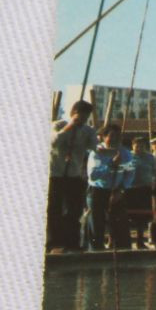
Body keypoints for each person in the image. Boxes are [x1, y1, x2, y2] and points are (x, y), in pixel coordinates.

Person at [47, 99, 97, 252]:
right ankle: (53, 243)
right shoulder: (58, 125)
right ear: (73, 114)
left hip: (73, 175)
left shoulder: (87, 130)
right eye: (80, 118)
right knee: (54, 210)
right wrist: (70, 127)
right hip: (56, 174)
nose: (82, 121)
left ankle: (72, 242)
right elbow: (53, 142)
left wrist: (92, 132)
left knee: (74, 210)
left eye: (85, 118)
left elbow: (94, 146)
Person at [85, 124, 132, 251]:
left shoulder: (126, 153)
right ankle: (95, 253)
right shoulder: (96, 153)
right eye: (111, 136)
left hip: (117, 191)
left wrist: (121, 190)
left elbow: (129, 175)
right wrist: (110, 165)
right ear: (104, 137)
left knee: (121, 226)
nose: (115, 139)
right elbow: (93, 175)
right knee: (97, 226)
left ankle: (123, 254)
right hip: (98, 191)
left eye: (118, 136)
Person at [125, 135, 156, 249]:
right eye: (137, 145)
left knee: (142, 217)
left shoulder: (150, 157)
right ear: (133, 146)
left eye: (141, 146)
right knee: (128, 215)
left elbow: (154, 172)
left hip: (144, 189)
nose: (139, 148)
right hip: (130, 189)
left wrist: (152, 183)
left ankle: (140, 240)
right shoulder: (128, 156)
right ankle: (126, 240)